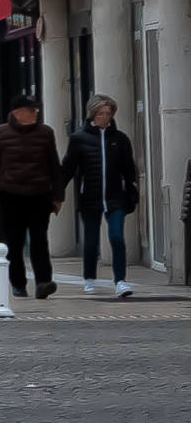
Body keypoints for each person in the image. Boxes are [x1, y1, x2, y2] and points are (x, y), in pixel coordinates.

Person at [61, 95, 137, 297]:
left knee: (117, 237)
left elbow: (129, 169)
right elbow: (68, 167)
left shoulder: (120, 139)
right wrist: (57, 192)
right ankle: (89, 278)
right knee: (92, 240)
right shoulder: (79, 139)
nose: (105, 117)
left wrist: (132, 193)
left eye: (109, 114)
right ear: (93, 114)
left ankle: (120, 280)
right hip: (90, 198)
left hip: (115, 198)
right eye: (101, 113)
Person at [0, 98, 62, 300]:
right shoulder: (0, 133)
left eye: (36, 110)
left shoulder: (46, 133)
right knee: (14, 243)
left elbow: (54, 165)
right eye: (31, 110)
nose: (35, 113)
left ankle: (43, 283)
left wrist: (57, 196)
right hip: (10, 196)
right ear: (18, 112)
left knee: (39, 241)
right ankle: (18, 284)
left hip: (39, 195)